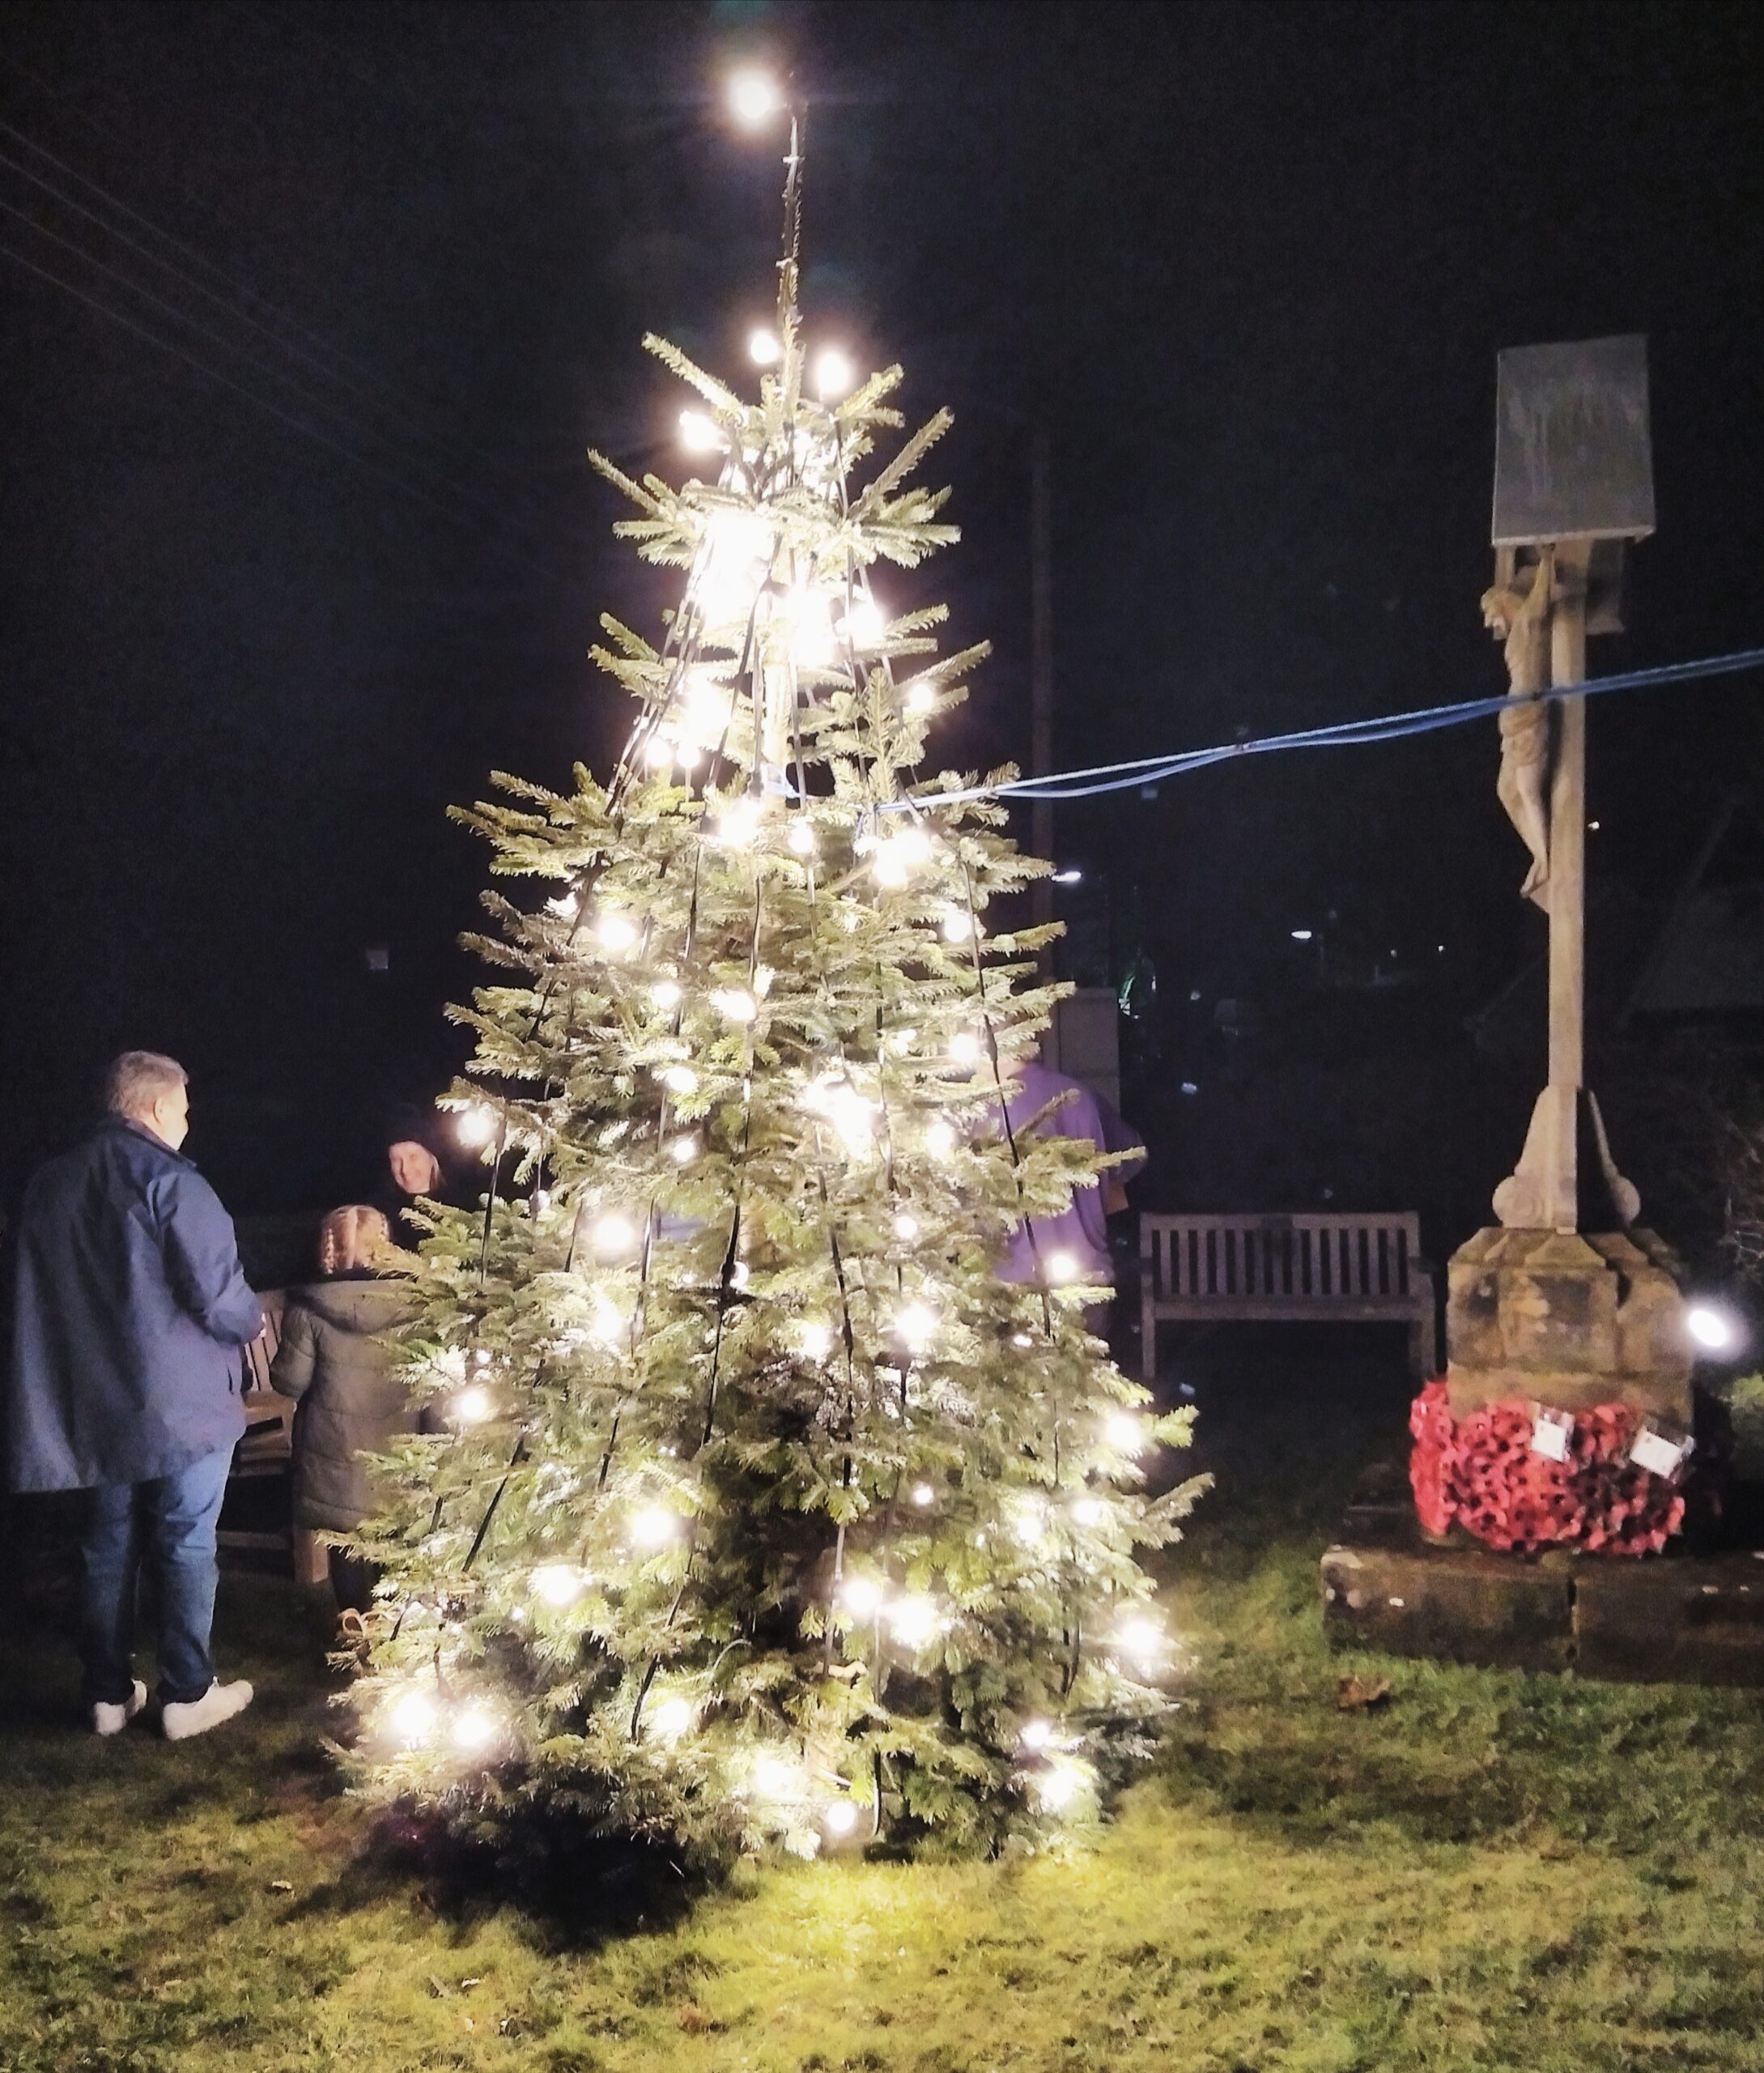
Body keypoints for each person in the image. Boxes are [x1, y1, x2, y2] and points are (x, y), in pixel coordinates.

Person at [6, 1051, 263, 1739]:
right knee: (183, 1538)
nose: (187, 1120)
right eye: (182, 1107)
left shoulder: (49, 1183)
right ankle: (187, 1693)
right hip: (181, 1402)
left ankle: (107, 1694)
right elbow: (217, 1296)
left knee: (105, 1544)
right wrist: (252, 1319)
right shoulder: (173, 1183)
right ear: (153, 1108)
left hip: (90, 1403)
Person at [270, 1204, 418, 1615]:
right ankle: (397, 1637)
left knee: (347, 1544)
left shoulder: (310, 1308)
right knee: (394, 1544)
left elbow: (289, 1382)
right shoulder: (415, 1305)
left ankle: (355, 1630)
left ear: (329, 1249)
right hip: (399, 1447)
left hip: (335, 1451)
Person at [994, 1054, 1146, 1294]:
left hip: (1009, 1285)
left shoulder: (986, 1108)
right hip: (1088, 1277)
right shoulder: (1079, 1094)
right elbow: (1133, 1156)